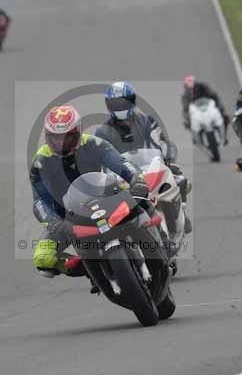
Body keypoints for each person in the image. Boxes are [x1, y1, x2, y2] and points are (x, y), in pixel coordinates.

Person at [30, 105, 152, 282]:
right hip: (68, 217)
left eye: (67, 137)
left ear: (78, 132)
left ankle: (160, 246)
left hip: (104, 200)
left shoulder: (94, 144)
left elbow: (123, 165)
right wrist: (53, 222)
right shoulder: (41, 161)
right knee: (43, 258)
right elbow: (39, 202)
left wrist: (137, 181)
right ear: (47, 136)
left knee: (142, 200)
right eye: (55, 138)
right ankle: (91, 270)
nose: (60, 143)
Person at [96, 81, 192, 234]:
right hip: (124, 175)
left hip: (150, 166)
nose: (120, 106)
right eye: (116, 104)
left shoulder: (147, 121)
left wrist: (168, 157)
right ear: (109, 105)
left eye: (124, 102)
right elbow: (101, 157)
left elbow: (162, 142)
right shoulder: (102, 132)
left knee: (179, 177)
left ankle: (183, 212)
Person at [182, 75, 230, 144]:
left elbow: (215, 97)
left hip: (209, 108)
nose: (192, 89)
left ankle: (224, 135)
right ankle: (195, 137)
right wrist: (187, 118)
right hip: (197, 113)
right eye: (189, 87)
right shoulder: (185, 96)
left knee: (225, 117)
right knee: (188, 123)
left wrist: (220, 107)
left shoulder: (204, 88)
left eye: (193, 86)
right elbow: (185, 108)